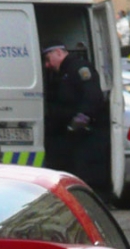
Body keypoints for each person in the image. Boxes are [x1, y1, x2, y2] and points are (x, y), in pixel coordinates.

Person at [41, 40, 110, 197]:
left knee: (84, 171)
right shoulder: (61, 73)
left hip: (83, 135)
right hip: (68, 134)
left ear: (59, 52)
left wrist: (80, 120)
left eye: (47, 59)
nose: (47, 65)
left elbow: (92, 96)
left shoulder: (79, 68)